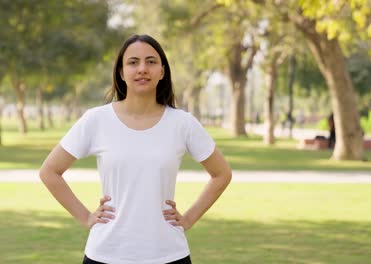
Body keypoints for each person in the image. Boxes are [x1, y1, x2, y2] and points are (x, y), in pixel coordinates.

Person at [39, 34, 232, 264]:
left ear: (162, 71)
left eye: (151, 61)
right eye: (133, 62)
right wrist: (86, 218)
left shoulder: (183, 123)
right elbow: (49, 172)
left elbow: (222, 174)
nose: (142, 69)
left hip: (168, 254)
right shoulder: (96, 120)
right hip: (106, 254)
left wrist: (189, 219)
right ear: (121, 72)